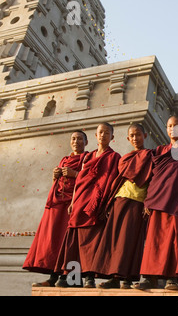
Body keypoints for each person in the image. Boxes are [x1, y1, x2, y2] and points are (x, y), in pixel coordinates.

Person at [54, 123, 121, 288]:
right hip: (80, 200)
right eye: (100, 132)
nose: (103, 135)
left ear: (112, 137)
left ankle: (89, 277)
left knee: (91, 242)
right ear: (96, 136)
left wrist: (106, 203)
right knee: (74, 241)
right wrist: (73, 200)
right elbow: (80, 180)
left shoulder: (114, 157)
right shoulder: (88, 157)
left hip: (96, 202)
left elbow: (111, 181)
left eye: (107, 133)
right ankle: (71, 278)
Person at [133, 116, 178, 291]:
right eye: (169, 126)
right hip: (157, 199)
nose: (172, 129)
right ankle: (149, 277)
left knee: (174, 239)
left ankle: (172, 278)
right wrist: (148, 201)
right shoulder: (159, 151)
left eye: (176, 126)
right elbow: (153, 177)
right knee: (154, 240)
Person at [90, 123, 152, 289]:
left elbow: (152, 181)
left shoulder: (150, 156)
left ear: (145, 136)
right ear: (127, 138)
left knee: (130, 239)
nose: (135, 138)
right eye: (131, 136)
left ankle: (127, 277)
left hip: (137, 201)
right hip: (119, 200)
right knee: (114, 239)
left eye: (138, 134)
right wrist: (110, 203)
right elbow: (117, 182)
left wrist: (149, 201)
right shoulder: (126, 158)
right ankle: (114, 277)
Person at [23, 131, 88, 287]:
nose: (76, 141)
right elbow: (58, 183)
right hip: (57, 202)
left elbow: (90, 178)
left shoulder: (87, 158)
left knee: (71, 241)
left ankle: (74, 279)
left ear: (86, 142)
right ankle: (54, 277)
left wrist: (75, 174)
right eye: (73, 138)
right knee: (54, 240)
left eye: (80, 139)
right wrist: (55, 176)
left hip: (74, 203)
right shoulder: (65, 159)